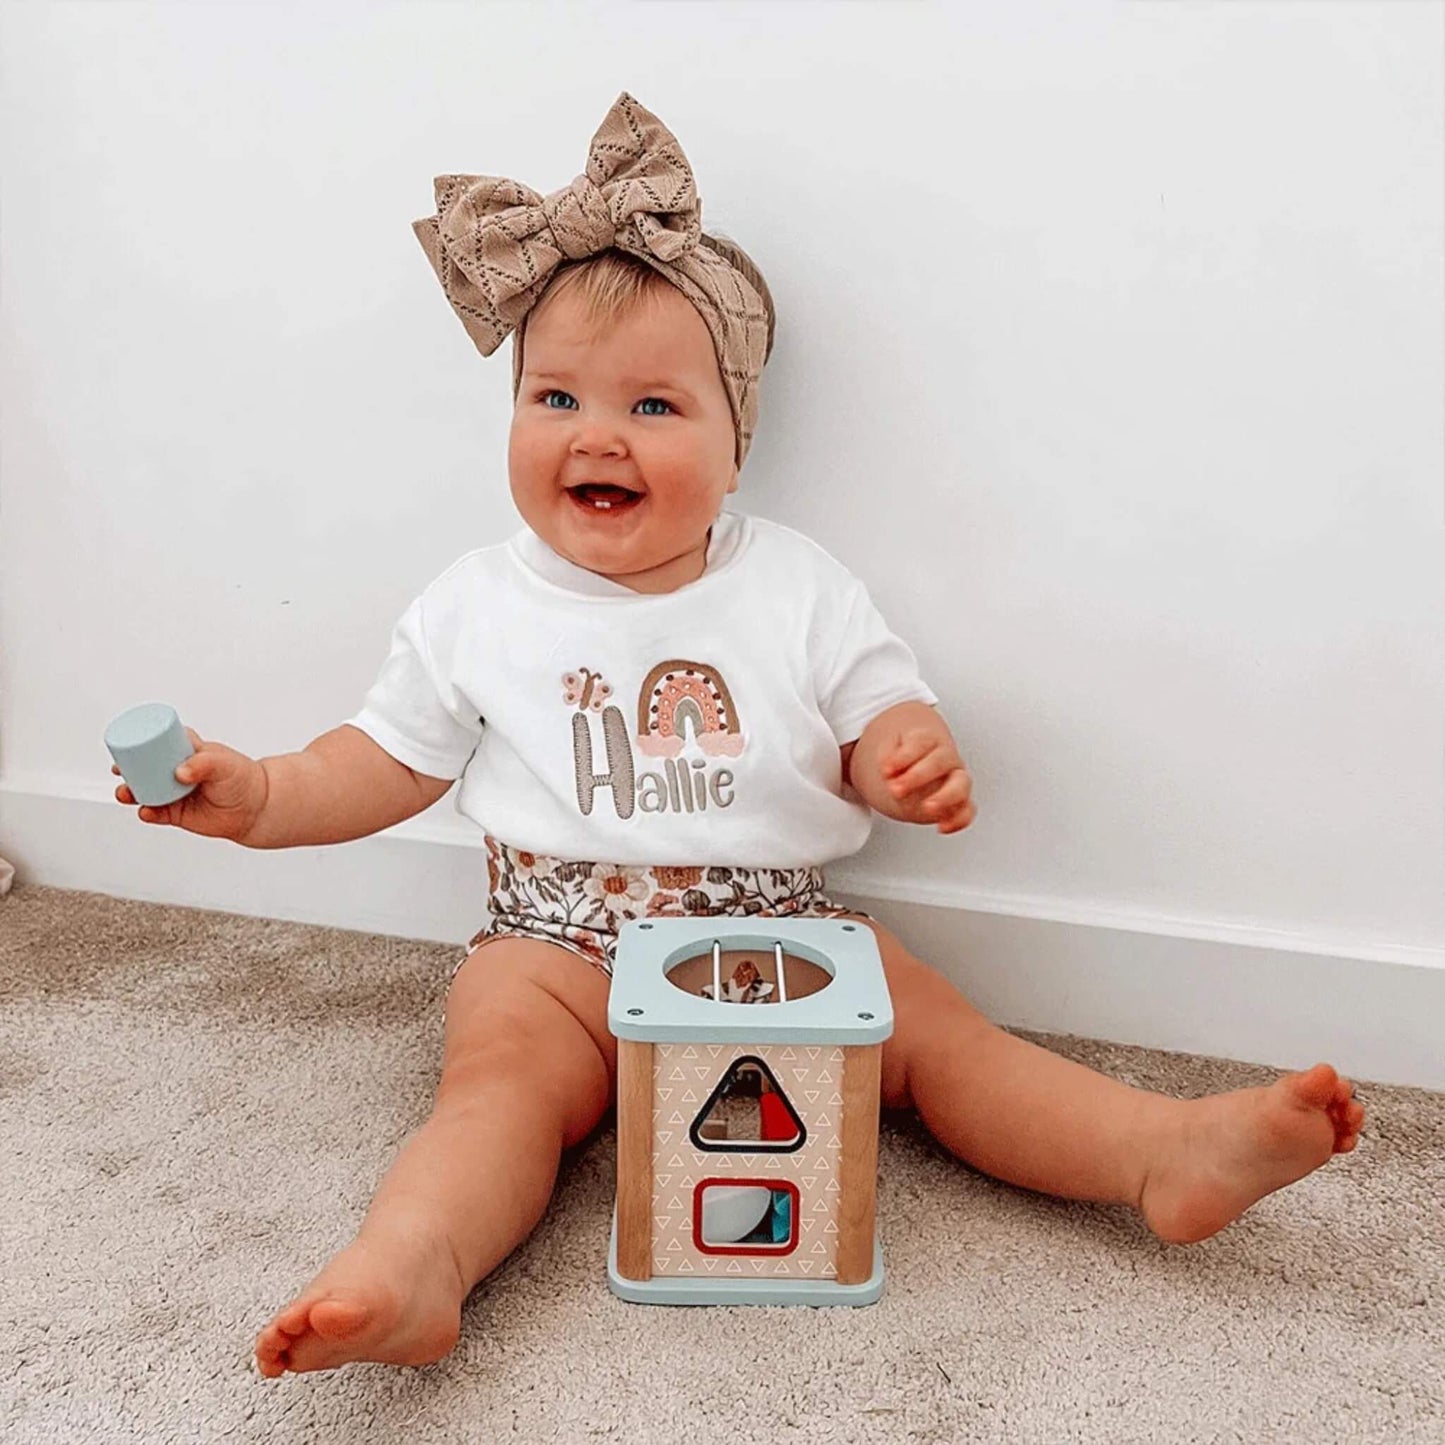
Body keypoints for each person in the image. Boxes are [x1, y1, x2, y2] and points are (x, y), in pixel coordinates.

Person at [113, 93, 1364, 1378]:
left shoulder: (792, 586)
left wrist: (903, 754)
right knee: (494, 1092)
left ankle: (1156, 1152)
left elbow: (878, 708)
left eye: (654, 406)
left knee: (943, 1041)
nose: (597, 433)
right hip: (553, 950)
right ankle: (415, 1259)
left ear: (734, 442)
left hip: (775, 938)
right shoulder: (475, 603)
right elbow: (382, 759)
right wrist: (266, 794)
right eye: (554, 395)